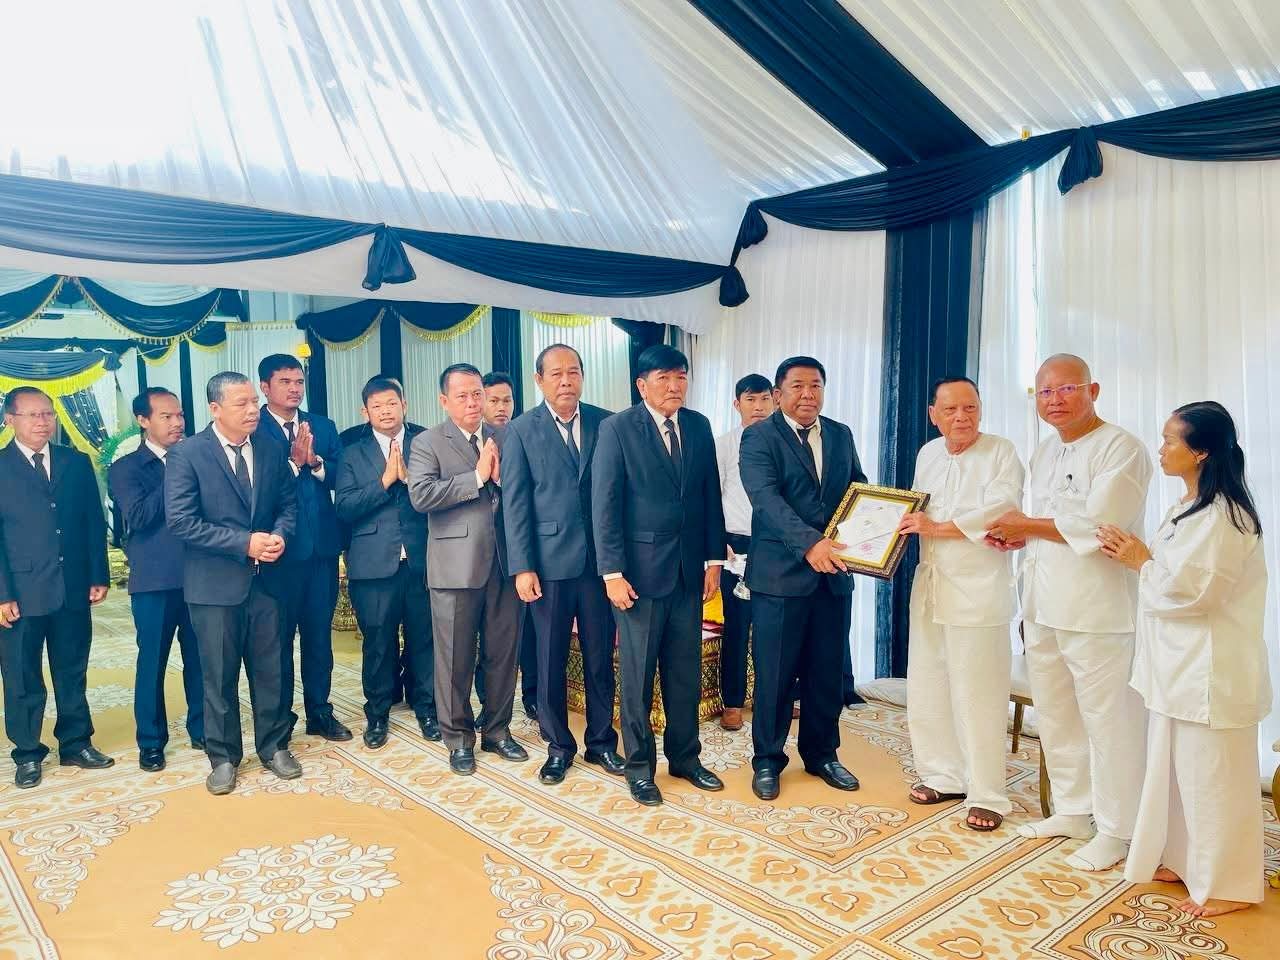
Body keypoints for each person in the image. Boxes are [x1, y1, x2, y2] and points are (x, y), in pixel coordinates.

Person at [1098, 402, 1270, 917]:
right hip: (1177, 667)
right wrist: (1139, 556)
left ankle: (1227, 885)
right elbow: (1170, 573)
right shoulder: (1188, 507)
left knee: (1213, 778)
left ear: (1201, 452)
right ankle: (1183, 859)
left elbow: (1197, 594)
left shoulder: (1227, 517)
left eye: (1171, 440)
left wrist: (1140, 561)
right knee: (1176, 773)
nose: (1161, 448)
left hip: (1210, 671)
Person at [986, 353, 1151, 871]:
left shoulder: (1121, 447)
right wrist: (1019, 537)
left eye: (1066, 389)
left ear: (1092, 390)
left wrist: (1026, 525)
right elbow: (1046, 524)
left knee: (1109, 720)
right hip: (1043, 602)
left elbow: (1100, 526)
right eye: (1044, 392)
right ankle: (1074, 810)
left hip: (1097, 610)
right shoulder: (1045, 450)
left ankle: (1119, 829)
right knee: (1056, 713)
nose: (1054, 400)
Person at [592, 344, 725, 807]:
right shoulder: (617, 429)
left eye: (681, 377)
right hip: (638, 577)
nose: (674, 386)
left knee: (684, 672)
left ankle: (686, 758)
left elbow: (710, 495)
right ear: (642, 385)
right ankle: (639, 768)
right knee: (638, 677)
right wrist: (611, 573)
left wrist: (713, 560)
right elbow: (605, 505)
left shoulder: (698, 425)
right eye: (664, 378)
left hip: (689, 572)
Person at [897, 378, 1023, 830]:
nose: (961, 417)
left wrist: (935, 528)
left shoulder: (1001, 451)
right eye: (950, 410)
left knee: (978, 692)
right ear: (933, 414)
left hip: (979, 589)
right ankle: (942, 775)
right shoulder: (928, 453)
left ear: (981, 409)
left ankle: (988, 793)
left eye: (970, 407)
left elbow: (1001, 512)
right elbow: (913, 510)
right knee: (928, 683)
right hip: (931, 583)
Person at [166, 371, 300, 795]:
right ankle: (223, 757)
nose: (252, 410)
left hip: (268, 583)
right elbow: (182, 521)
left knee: (272, 670)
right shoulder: (188, 454)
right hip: (214, 587)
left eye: (254, 402)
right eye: (241, 403)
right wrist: (245, 543)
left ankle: (274, 746)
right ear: (215, 408)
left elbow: (288, 503)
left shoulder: (271, 448)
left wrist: (279, 534)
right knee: (218, 676)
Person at [740, 357, 865, 802]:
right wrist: (812, 544)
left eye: (816, 385)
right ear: (778, 394)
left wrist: (872, 534)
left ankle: (822, 754)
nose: (808, 394)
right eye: (797, 386)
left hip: (833, 576)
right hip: (780, 577)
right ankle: (767, 760)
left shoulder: (841, 434)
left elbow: (858, 490)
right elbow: (766, 500)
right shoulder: (759, 436)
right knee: (774, 675)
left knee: (826, 672)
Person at [503, 344, 623, 785]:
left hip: (599, 565)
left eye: (573, 372)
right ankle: (558, 747)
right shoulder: (520, 430)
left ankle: (601, 742)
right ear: (539, 380)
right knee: (550, 659)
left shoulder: (607, 422)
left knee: (599, 657)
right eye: (556, 374)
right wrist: (523, 566)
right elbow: (515, 504)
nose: (566, 381)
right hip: (548, 566)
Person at [407, 363, 527, 776]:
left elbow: (525, 493)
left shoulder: (506, 436)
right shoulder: (427, 442)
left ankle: (497, 730)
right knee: (455, 659)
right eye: (463, 396)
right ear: (444, 400)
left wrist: (503, 480)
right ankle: (458, 739)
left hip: (506, 564)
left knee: (502, 655)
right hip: (454, 567)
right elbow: (421, 496)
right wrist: (475, 477)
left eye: (478, 394)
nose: (474, 402)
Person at [0, 386, 112, 788]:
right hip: (20, 593)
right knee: (21, 676)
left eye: (48, 414)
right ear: (10, 420)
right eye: (32, 415)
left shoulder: (75, 462)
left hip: (72, 587)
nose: (42, 422)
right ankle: (28, 752)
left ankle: (76, 743)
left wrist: (98, 574)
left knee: (72, 670)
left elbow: (93, 522)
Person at [335, 377, 438, 749]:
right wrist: (385, 481)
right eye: (377, 406)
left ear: (404, 405)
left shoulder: (426, 442)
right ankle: (377, 715)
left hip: (423, 559)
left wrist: (411, 482)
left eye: (392, 403)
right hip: (373, 564)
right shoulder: (351, 452)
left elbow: (441, 496)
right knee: (378, 642)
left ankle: (427, 708)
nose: (385, 411)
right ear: (365, 412)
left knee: (425, 638)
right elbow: (344, 507)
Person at [107, 388, 205, 771]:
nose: (177, 422)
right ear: (143, 420)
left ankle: (203, 730)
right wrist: (175, 470)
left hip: (200, 576)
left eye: (179, 415)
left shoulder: (200, 458)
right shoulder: (127, 468)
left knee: (202, 660)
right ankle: (151, 741)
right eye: (166, 416)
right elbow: (140, 516)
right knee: (152, 663)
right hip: (154, 581)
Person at [256, 354, 350, 744]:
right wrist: (294, 464)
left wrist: (316, 464)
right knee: (277, 642)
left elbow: (343, 476)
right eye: (285, 382)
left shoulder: (322, 425)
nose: (295, 389)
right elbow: (259, 486)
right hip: (279, 554)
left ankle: (320, 712)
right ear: (265, 387)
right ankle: (279, 719)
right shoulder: (254, 428)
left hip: (321, 550)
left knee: (318, 639)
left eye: (298, 381)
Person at [475, 369, 536, 725]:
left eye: (507, 400)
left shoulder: (525, 434)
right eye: (493, 400)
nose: (501, 407)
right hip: (482, 554)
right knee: (488, 637)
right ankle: (488, 705)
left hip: (522, 553)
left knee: (527, 635)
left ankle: (533, 698)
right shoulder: (472, 440)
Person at [714, 374, 774, 731]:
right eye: (751, 400)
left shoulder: (783, 442)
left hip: (776, 545)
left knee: (775, 627)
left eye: (764, 399)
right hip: (735, 545)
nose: (758, 407)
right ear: (737, 404)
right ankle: (733, 702)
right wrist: (716, 541)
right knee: (736, 626)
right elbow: (711, 496)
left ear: (775, 401)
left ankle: (774, 698)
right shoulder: (724, 445)